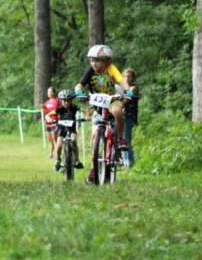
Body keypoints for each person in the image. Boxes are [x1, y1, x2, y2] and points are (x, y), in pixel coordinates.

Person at [74, 44, 133, 183]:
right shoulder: (90, 71)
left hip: (112, 99)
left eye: (97, 60)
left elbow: (121, 80)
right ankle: (95, 167)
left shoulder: (111, 69)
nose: (94, 63)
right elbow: (80, 84)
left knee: (118, 111)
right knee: (94, 138)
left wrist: (128, 90)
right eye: (92, 60)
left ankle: (119, 139)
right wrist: (78, 91)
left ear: (106, 61)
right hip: (97, 104)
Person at [49, 89, 84, 171]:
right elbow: (49, 114)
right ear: (61, 100)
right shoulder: (59, 108)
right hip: (62, 129)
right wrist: (49, 119)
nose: (66, 103)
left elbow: (84, 110)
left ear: (71, 100)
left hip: (72, 128)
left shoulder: (74, 107)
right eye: (64, 101)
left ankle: (76, 160)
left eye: (68, 100)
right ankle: (58, 160)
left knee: (74, 141)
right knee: (59, 146)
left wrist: (87, 116)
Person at [121, 68, 139, 169]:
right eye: (125, 76)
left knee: (126, 140)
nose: (127, 78)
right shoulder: (121, 88)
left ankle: (129, 163)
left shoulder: (134, 87)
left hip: (129, 116)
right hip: (120, 116)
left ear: (133, 78)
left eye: (129, 76)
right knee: (121, 140)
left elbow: (127, 98)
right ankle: (125, 163)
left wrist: (119, 102)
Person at [40, 87, 59, 159]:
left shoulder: (56, 101)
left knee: (54, 139)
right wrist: (43, 108)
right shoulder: (47, 102)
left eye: (51, 92)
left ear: (54, 93)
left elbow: (55, 111)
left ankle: (57, 153)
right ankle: (50, 154)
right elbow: (46, 112)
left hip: (54, 121)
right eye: (48, 92)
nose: (49, 94)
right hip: (47, 122)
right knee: (49, 139)